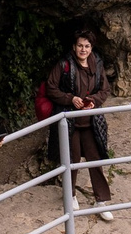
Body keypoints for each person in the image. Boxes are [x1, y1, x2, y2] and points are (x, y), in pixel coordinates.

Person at [45, 35, 116, 221]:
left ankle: (100, 201)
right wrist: (70, 99)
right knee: (72, 159)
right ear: (74, 47)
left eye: (87, 46)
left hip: (91, 120)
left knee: (95, 159)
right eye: (79, 46)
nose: (83, 49)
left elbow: (104, 90)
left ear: (91, 48)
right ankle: (71, 195)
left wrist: (93, 101)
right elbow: (51, 88)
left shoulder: (97, 64)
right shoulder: (64, 65)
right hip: (71, 121)